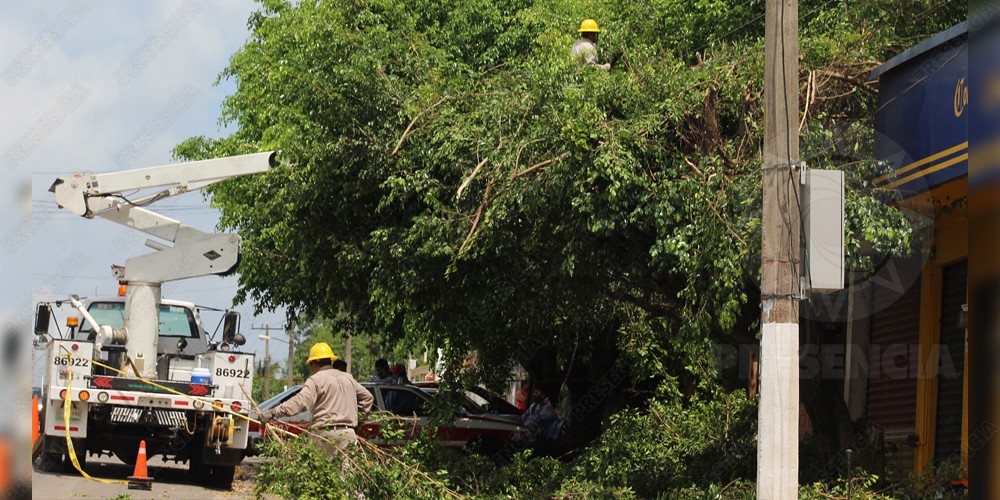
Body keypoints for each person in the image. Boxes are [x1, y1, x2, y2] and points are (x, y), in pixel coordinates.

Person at [259, 342, 374, 454]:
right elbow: (368, 398)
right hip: (348, 434)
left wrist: (274, 412)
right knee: (346, 473)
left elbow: (301, 401)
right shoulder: (348, 378)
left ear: (314, 364)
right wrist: (358, 420)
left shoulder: (316, 380)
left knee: (320, 472)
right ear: (330, 360)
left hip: (325, 435)